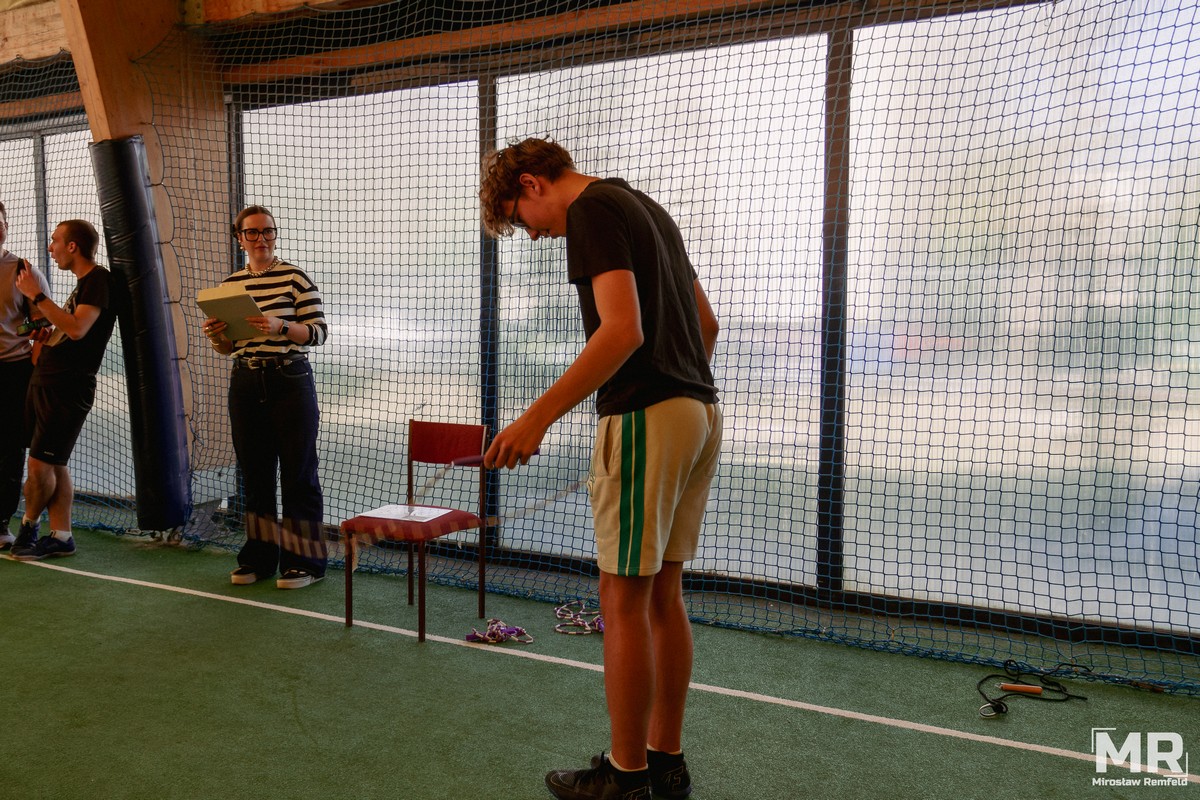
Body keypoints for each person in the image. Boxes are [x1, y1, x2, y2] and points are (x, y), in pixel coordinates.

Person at [479, 139, 721, 800]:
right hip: (700, 412)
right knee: (664, 595)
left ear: (531, 183)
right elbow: (706, 323)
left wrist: (535, 419)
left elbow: (621, 331)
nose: (533, 235)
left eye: (521, 220)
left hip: (648, 416)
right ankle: (664, 763)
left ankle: (625, 776)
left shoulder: (590, 210)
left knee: (622, 599)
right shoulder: (646, 207)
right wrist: (677, 391)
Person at [202, 205, 329, 589]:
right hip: (245, 382)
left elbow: (319, 333)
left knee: (298, 475)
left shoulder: (295, 278)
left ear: (275, 234)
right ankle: (258, 559)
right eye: (253, 233)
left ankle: (304, 563)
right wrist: (217, 337)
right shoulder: (230, 286)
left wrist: (281, 326)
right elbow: (229, 347)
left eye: (267, 231)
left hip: (290, 380)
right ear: (239, 238)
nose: (261, 239)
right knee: (255, 476)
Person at [10, 219, 119, 560]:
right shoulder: (82, 285)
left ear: (73, 246)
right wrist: (45, 334)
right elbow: (66, 330)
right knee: (55, 463)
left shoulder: (99, 279)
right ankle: (61, 536)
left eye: (55, 240)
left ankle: (28, 528)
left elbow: (77, 328)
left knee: (39, 465)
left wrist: (36, 295)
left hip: (67, 388)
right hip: (49, 382)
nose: (51, 247)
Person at [0, 202, 52, 550]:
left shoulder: (23, 270)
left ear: (6, 226)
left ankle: (1, 521)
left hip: (13, 371)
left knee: (8, 448)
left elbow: (45, 323)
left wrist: (34, 354)